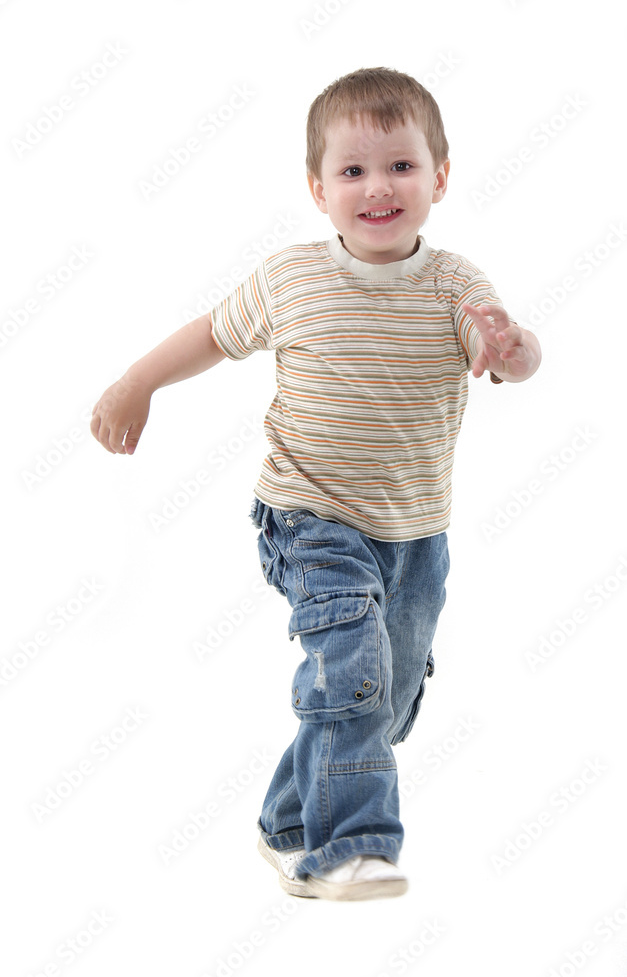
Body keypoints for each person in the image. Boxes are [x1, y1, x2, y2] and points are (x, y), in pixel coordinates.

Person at [90, 67, 541, 902]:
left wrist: (509, 349)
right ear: (317, 187)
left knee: (388, 694)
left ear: (439, 176)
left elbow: (514, 356)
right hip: (307, 516)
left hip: (415, 533)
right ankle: (348, 847)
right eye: (352, 170)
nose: (378, 187)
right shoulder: (291, 279)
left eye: (401, 166)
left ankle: (288, 822)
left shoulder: (454, 284)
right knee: (353, 662)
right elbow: (211, 336)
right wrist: (135, 383)